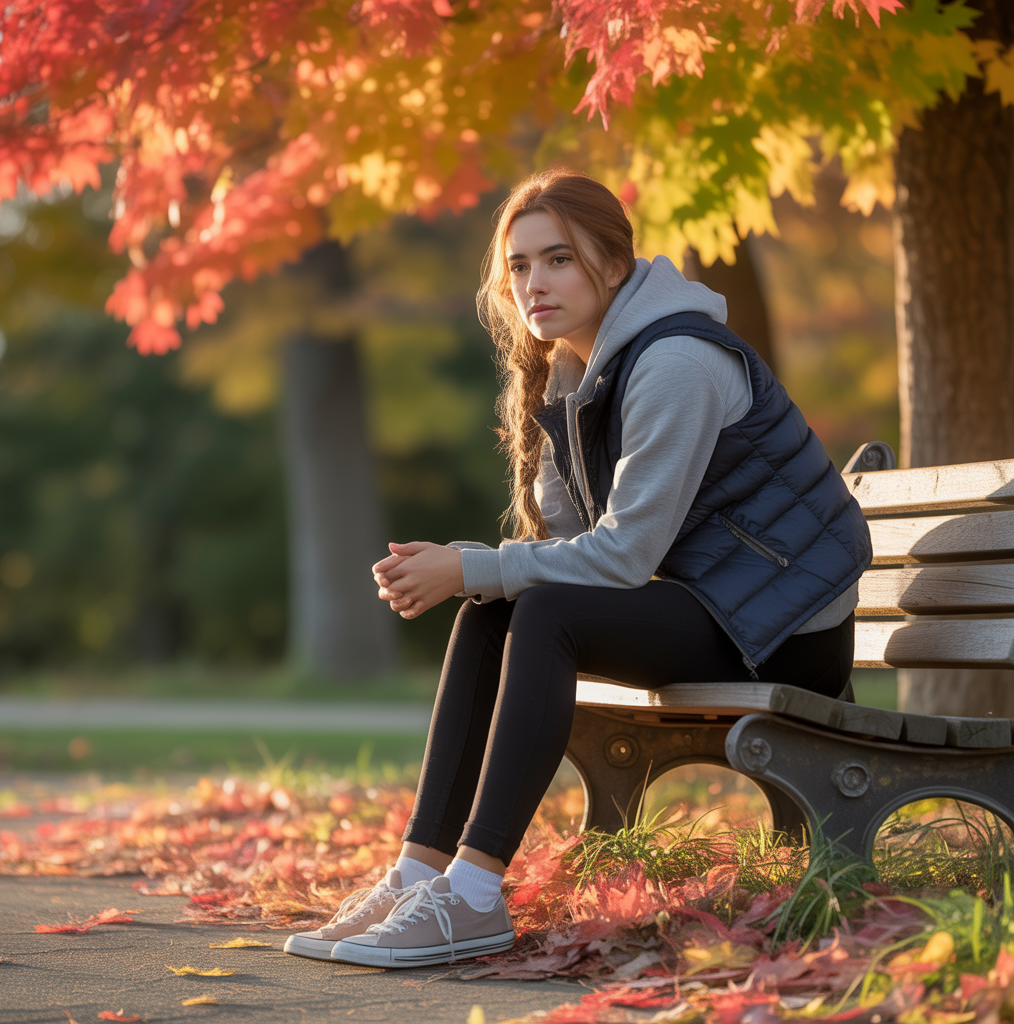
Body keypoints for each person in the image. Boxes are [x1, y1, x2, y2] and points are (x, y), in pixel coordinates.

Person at [283, 169, 872, 968]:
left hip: (787, 631)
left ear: (616, 264)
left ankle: (475, 894)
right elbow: (564, 553)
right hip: (719, 605)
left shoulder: (675, 360)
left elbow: (623, 556)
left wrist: (472, 563)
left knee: (538, 610)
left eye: (558, 259)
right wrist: (477, 575)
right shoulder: (572, 374)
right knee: (493, 609)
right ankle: (420, 872)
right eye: (519, 266)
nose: (535, 282)